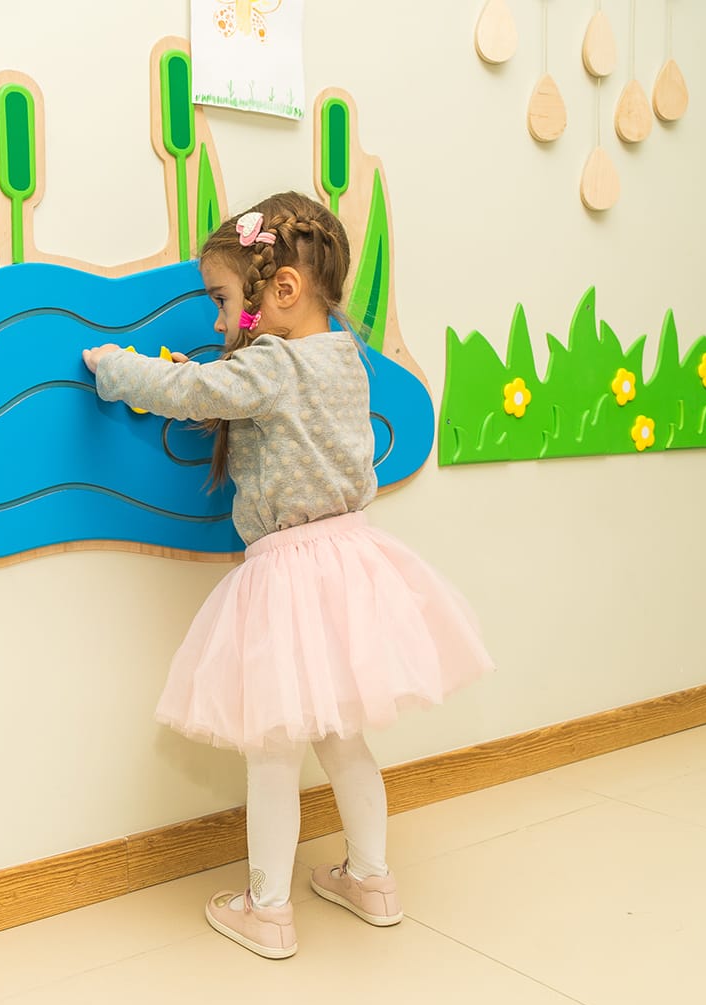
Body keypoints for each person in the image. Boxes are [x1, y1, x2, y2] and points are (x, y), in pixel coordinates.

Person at [83, 192, 494, 959]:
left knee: (272, 749)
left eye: (222, 300)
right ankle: (371, 879)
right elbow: (250, 402)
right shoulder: (344, 358)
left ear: (283, 289)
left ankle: (267, 910)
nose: (218, 323)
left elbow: (190, 392)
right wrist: (213, 373)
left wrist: (116, 370)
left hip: (289, 573)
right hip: (351, 560)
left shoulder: (270, 364)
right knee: (342, 737)